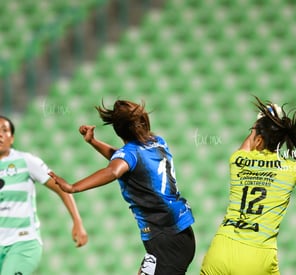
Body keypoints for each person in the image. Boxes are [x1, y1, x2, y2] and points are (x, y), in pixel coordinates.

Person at [200, 96, 296, 275]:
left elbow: (249, 142)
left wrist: (262, 119)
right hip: (257, 256)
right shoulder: (293, 168)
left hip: (222, 248)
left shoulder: (238, 160)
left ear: (258, 139)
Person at [48, 99, 196, 275]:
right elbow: (122, 159)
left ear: (117, 129)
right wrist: (93, 142)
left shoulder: (129, 155)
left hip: (165, 239)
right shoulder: (157, 142)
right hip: (180, 232)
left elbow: (113, 171)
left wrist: (73, 187)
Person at [0, 115, 88, 274]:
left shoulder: (25, 161)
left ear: (11, 138)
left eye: (4, 130)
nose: (0, 134)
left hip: (22, 243)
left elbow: (61, 187)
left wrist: (77, 221)